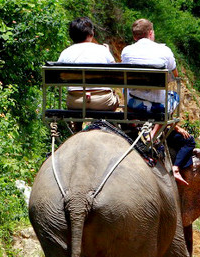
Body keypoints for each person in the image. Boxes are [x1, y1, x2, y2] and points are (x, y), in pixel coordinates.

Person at [121, 19, 191, 184]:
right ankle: (153, 135)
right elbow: (174, 75)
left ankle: (132, 123)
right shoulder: (164, 50)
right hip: (156, 106)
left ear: (134, 36)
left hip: (134, 104)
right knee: (174, 96)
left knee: (126, 89)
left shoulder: (126, 51)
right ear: (151, 33)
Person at [57, 17, 121, 112]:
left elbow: (58, 78)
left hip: (75, 102)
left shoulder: (65, 53)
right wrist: (107, 52)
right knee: (115, 98)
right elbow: (115, 74)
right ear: (91, 33)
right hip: (103, 101)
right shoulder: (102, 50)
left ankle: (77, 126)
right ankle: (106, 123)